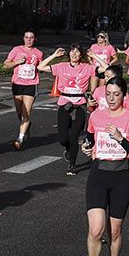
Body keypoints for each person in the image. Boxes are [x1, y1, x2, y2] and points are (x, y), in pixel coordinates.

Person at [78, 78, 129, 256]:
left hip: (121, 179)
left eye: (116, 94)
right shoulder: (96, 116)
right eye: (108, 93)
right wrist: (86, 147)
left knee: (114, 231)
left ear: (124, 95)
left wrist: (120, 139)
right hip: (98, 176)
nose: (111, 98)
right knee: (95, 229)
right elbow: (90, 138)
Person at [41, 44, 94, 175]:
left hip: (80, 104)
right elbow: (40, 67)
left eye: (77, 52)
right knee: (63, 139)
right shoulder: (61, 66)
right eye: (72, 51)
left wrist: (94, 56)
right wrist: (54, 55)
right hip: (64, 103)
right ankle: (68, 149)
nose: (74, 54)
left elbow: (105, 68)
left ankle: (72, 165)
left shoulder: (87, 67)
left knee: (74, 135)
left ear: (81, 55)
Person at [2, 30, 44, 151]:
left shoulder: (38, 53)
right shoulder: (16, 50)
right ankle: (26, 124)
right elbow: (5, 65)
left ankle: (20, 139)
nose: (29, 40)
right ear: (23, 38)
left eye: (31, 37)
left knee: (26, 111)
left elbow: (41, 67)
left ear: (35, 39)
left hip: (31, 84)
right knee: (19, 111)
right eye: (26, 37)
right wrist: (17, 62)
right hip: (17, 83)